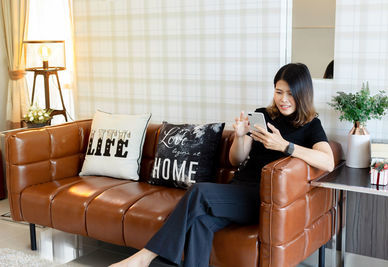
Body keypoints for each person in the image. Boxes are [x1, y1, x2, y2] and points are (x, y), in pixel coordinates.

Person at [110, 63, 334, 267]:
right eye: (278, 92)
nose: (283, 99)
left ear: (303, 94)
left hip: (261, 198)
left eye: (290, 94)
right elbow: (235, 160)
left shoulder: (311, 125)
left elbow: (328, 161)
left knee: (199, 191)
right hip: (236, 190)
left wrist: (285, 145)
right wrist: (239, 136)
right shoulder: (263, 115)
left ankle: (145, 257)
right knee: (201, 223)